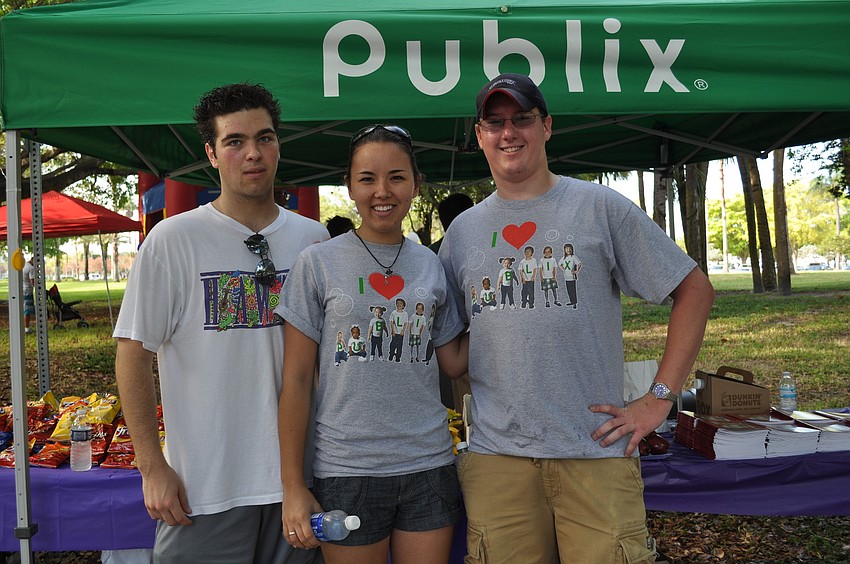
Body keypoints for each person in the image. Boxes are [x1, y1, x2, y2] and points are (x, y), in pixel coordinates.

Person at [438, 73, 715, 563]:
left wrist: (658, 400)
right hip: (499, 461)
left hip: (597, 455)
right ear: (479, 135)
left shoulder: (599, 208)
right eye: (495, 123)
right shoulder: (462, 233)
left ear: (547, 126)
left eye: (522, 119)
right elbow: (458, 355)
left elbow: (693, 289)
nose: (509, 133)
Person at [113, 83, 328, 564]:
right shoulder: (173, 240)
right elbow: (132, 355)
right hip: (205, 489)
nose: (252, 153)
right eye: (235, 141)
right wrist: (152, 466)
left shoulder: (312, 239)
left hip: (295, 483)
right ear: (211, 153)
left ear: (278, 145)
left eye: (265, 138)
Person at [277, 124, 469, 564]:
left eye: (397, 177)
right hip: (347, 470)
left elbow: (454, 363)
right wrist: (293, 485)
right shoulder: (317, 264)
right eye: (367, 178)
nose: (382, 191)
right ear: (348, 185)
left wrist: (503, 312)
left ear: (416, 185)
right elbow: (297, 379)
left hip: (429, 464)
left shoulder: (431, 265)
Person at [22, 256, 35, 334]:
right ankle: (27, 328)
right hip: (28, 291)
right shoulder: (31, 268)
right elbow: (33, 283)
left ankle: (23, 326)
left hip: (21, 290)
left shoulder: (24, 265)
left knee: (23, 309)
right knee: (28, 310)